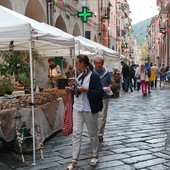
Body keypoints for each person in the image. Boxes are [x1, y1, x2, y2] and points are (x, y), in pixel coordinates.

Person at [65, 54, 104, 170]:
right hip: (77, 107)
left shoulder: (94, 76)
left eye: (77, 63)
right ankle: (74, 160)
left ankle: (95, 155)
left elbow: (100, 93)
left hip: (89, 109)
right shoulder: (80, 76)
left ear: (83, 64)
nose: (76, 65)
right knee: (76, 134)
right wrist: (71, 90)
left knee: (92, 134)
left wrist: (86, 90)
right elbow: (76, 89)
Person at [93, 57, 114, 142]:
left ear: (103, 63)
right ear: (94, 64)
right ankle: (94, 132)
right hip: (94, 97)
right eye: (97, 63)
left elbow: (111, 83)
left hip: (104, 96)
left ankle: (99, 133)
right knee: (94, 116)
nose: (98, 64)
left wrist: (109, 88)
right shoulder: (91, 72)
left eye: (100, 63)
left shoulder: (106, 73)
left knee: (102, 116)